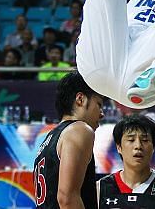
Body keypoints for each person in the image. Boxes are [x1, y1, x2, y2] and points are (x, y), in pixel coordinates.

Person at [33, 72, 104, 208]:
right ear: (80, 99)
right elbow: (67, 198)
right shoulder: (80, 129)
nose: (102, 113)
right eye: (99, 104)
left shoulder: (50, 137)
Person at [97, 114, 155, 208]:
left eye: (144, 140)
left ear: (153, 147)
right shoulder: (100, 189)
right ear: (119, 147)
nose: (138, 146)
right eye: (131, 140)